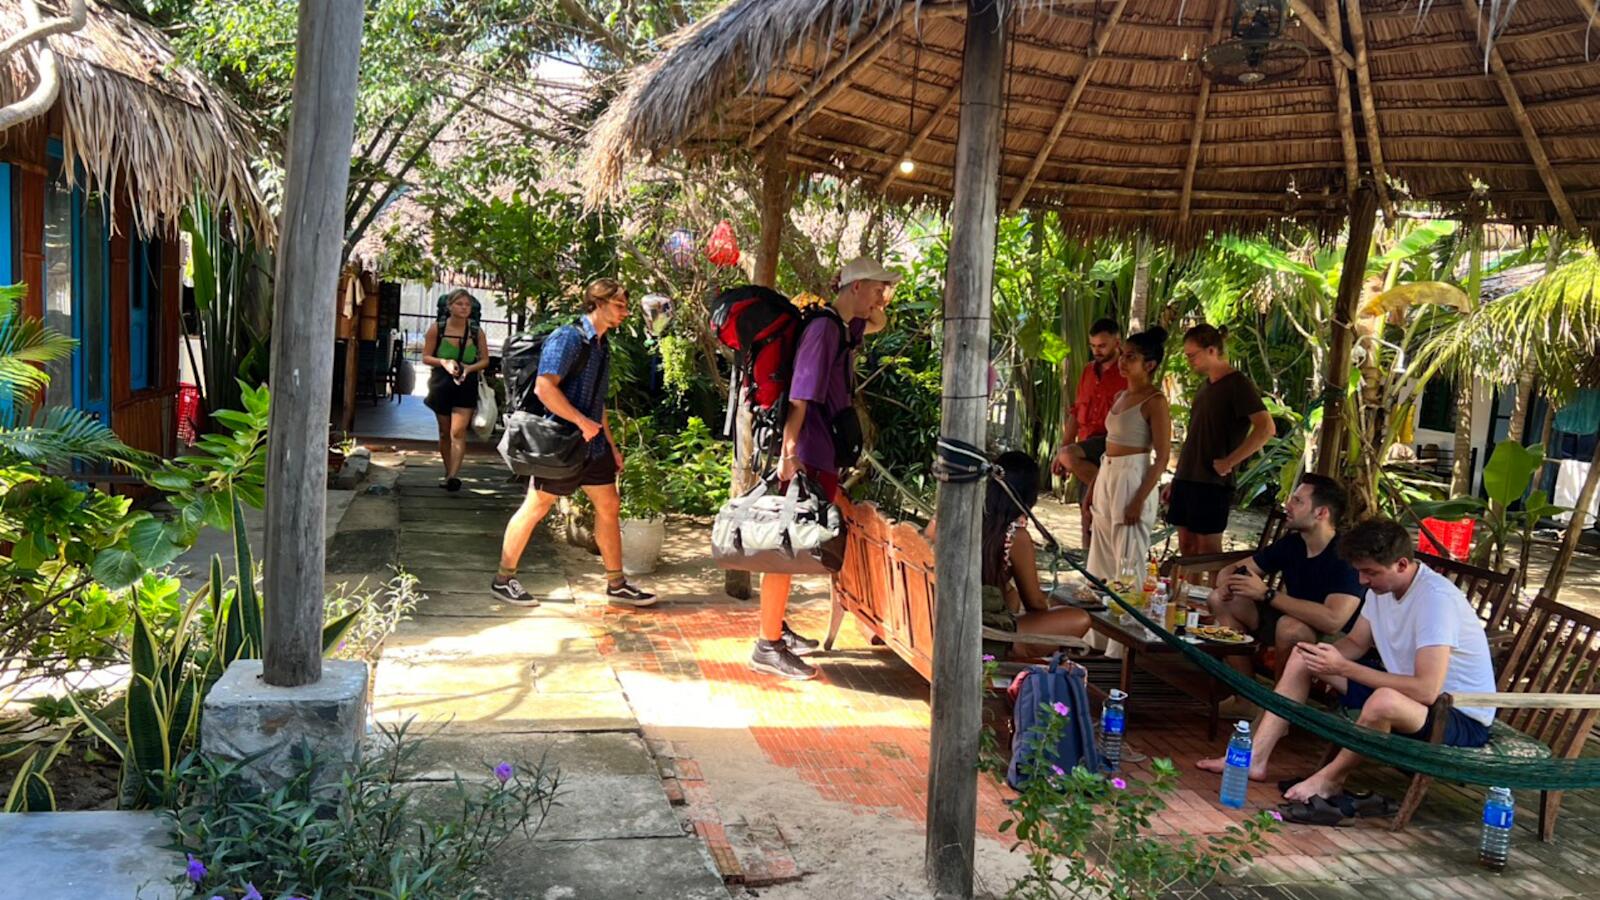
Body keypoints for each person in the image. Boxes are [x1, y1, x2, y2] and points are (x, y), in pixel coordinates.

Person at [1197, 519, 1497, 814]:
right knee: (1305, 656)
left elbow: (1427, 690)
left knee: (1383, 700)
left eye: (1370, 573)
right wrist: (1323, 659)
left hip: (1456, 716)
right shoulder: (1382, 589)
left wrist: (1343, 669)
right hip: (1410, 698)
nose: (1363, 581)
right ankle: (1254, 758)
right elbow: (1355, 642)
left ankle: (1331, 778)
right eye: (1360, 572)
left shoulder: (1435, 601)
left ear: (1402, 565)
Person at [752, 257, 893, 680]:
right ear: (854, 288)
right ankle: (766, 644)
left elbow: (879, 322)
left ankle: (775, 626)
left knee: (796, 543)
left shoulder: (843, 326)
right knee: (787, 545)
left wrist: (877, 298)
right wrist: (790, 452)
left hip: (822, 449)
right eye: (874, 290)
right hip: (808, 451)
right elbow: (800, 396)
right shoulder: (823, 330)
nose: (881, 299)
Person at [491, 278, 656, 609]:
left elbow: (598, 402)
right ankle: (503, 579)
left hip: (593, 448)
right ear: (597, 303)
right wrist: (581, 423)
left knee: (609, 505)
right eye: (619, 305)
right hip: (560, 445)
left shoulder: (602, 344)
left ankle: (616, 583)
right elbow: (544, 388)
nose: (625, 312)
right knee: (536, 507)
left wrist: (610, 445)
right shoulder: (567, 338)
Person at [1206, 474, 1365, 683]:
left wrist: (1266, 594)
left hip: (1339, 638)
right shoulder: (1294, 543)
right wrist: (1229, 583)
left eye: (1297, 501)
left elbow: (1333, 621)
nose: (1287, 505)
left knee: (1291, 628)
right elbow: (1233, 569)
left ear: (1321, 513)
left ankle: (1279, 706)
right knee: (1219, 599)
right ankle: (1244, 696)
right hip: (1290, 619)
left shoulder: (1346, 554)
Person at [1164, 324, 1275, 556]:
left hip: (1212, 481)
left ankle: (1211, 591)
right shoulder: (1205, 387)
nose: (1189, 361)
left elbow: (1266, 428)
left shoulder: (1238, 384)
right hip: (1187, 476)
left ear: (1212, 350)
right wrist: (1177, 478)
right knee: (1186, 545)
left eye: (1192, 355)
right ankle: (1187, 590)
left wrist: (1230, 461)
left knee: (1208, 549)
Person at [970, 452, 1092, 659]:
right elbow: (1034, 602)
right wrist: (1049, 607)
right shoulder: (1015, 536)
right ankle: (1016, 658)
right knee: (1080, 618)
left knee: (1011, 594)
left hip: (949, 619)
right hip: (981, 633)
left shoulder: (967, 516)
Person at [1085, 327, 1171, 584]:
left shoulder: (1155, 401)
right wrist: (1093, 486)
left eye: (1131, 357)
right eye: (1123, 354)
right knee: (1101, 548)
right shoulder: (1121, 396)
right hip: (1108, 471)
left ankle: (1128, 618)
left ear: (1150, 364)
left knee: (1128, 555)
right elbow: (1109, 445)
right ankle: (1096, 619)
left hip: (1132, 475)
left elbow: (1162, 458)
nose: (1122, 361)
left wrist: (1138, 499)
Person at [1052, 319, 1127, 546]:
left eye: (1102, 346)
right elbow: (1076, 412)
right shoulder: (1087, 371)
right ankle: (1089, 570)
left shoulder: (1127, 371)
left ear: (1117, 342)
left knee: (1103, 514)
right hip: (1086, 447)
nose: (1097, 351)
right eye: (1093, 346)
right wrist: (1061, 449)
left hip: (1112, 442)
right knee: (1087, 513)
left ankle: (1107, 490)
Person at [421, 290, 490, 492]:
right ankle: (447, 469)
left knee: (458, 431)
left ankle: (453, 476)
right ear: (449, 306)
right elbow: (426, 357)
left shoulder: (477, 331)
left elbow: (485, 360)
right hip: (441, 382)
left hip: (465, 382)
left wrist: (469, 368)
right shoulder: (437, 329)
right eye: (459, 304)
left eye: (467, 305)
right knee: (444, 432)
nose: (463, 308)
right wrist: (444, 362)